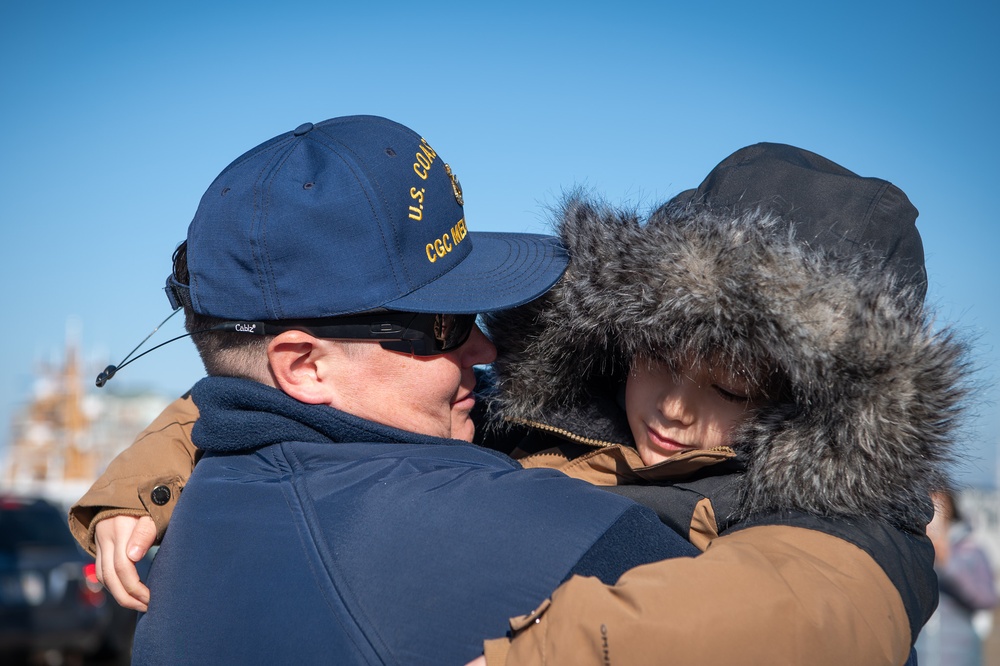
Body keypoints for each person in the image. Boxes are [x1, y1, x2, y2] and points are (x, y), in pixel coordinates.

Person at [72, 136, 958, 664]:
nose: (675, 411)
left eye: (729, 386)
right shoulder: (557, 405)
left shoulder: (851, 521)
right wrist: (153, 474)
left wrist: (555, 648)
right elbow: (271, 391)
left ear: (823, 403)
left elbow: (802, 609)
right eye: (654, 356)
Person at [124, 115, 701, 665]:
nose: (485, 350)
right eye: (444, 327)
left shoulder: (191, 529)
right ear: (304, 366)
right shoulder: (570, 537)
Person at [916, 488, 998, 666]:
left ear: (950, 510)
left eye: (938, 510)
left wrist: (948, 561)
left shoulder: (970, 550)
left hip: (960, 656)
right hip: (918, 655)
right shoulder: (910, 551)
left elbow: (986, 597)